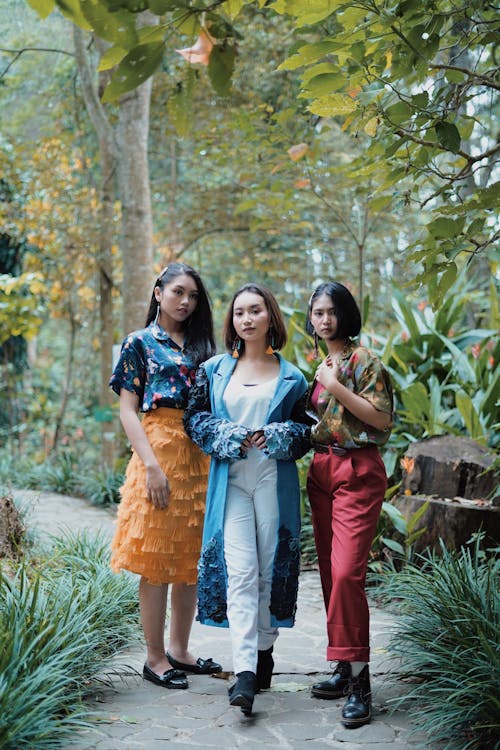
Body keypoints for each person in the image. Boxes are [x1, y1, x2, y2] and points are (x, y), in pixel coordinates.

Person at [183, 283, 312, 716]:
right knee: (240, 571)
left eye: (255, 311)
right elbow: (196, 419)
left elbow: (304, 430)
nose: (247, 319)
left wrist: (277, 435)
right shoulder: (214, 370)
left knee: (269, 569)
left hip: (272, 481)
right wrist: (227, 434)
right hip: (231, 483)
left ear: (270, 318)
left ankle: (264, 650)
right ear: (232, 321)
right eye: (239, 312)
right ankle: (244, 674)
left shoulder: (293, 376)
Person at [109, 262, 222, 691]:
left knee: (188, 560)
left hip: (198, 457)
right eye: (178, 292)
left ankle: (180, 648)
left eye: (193, 295)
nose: (186, 301)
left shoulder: (205, 347)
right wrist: (152, 466)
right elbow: (127, 409)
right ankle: (154, 657)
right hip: (156, 450)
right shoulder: (138, 343)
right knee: (156, 560)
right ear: (158, 293)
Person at [305, 281, 393, 728]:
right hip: (322, 472)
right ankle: (345, 666)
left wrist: (334, 386)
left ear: (346, 314)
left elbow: (381, 419)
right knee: (328, 572)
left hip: (357, 471)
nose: (324, 319)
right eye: (317, 312)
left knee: (346, 573)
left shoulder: (363, 361)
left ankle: (361, 683)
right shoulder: (322, 362)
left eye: (332, 311)